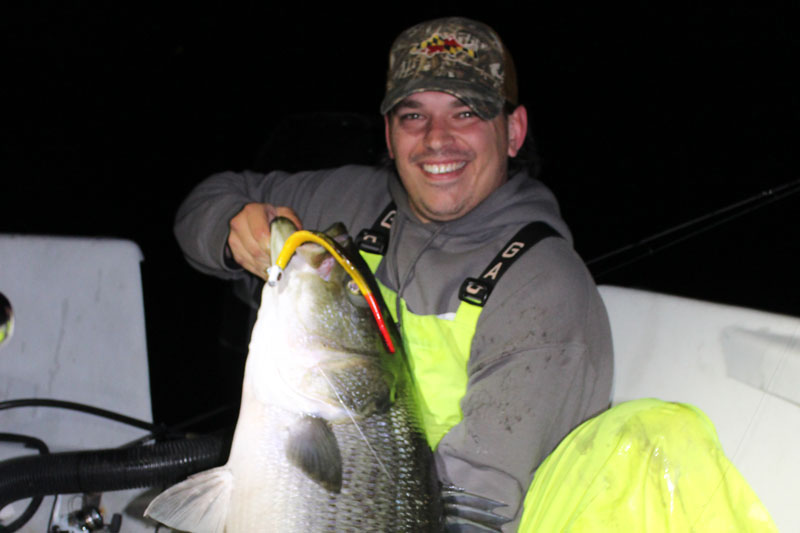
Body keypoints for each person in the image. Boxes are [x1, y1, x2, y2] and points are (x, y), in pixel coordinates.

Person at [175, 17, 614, 531]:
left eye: (466, 112)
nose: (437, 139)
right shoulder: (355, 201)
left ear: (513, 131)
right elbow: (206, 201)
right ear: (388, 132)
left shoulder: (545, 290)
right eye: (413, 116)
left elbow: (477, 503)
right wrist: (232, 233)